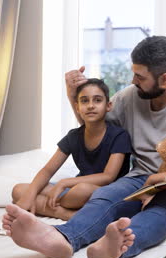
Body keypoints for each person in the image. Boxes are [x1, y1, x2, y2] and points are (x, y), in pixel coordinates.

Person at [2, 36, 166, 258]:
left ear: (164, 78)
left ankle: (116, 247)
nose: (132, 81)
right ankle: (63, 238)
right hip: (140, 177)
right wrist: (72, 95)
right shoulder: (129, 96)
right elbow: (93, 126)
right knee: (104, 197)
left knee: (160, 213)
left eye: (140, 76)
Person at [11, 78, 131, 220]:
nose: (91, 105)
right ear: (77, 107)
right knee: (19, 190)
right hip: (74, 190)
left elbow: (107, 177)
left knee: (82, 190)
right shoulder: (73, 136)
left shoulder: (119, 135)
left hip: (104, 191)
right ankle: (64, 213)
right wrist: (29, 196)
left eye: (97, 100)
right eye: (84, 101)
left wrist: (63, 183)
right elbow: (48, 170)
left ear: (108, 105)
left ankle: (52, 207)